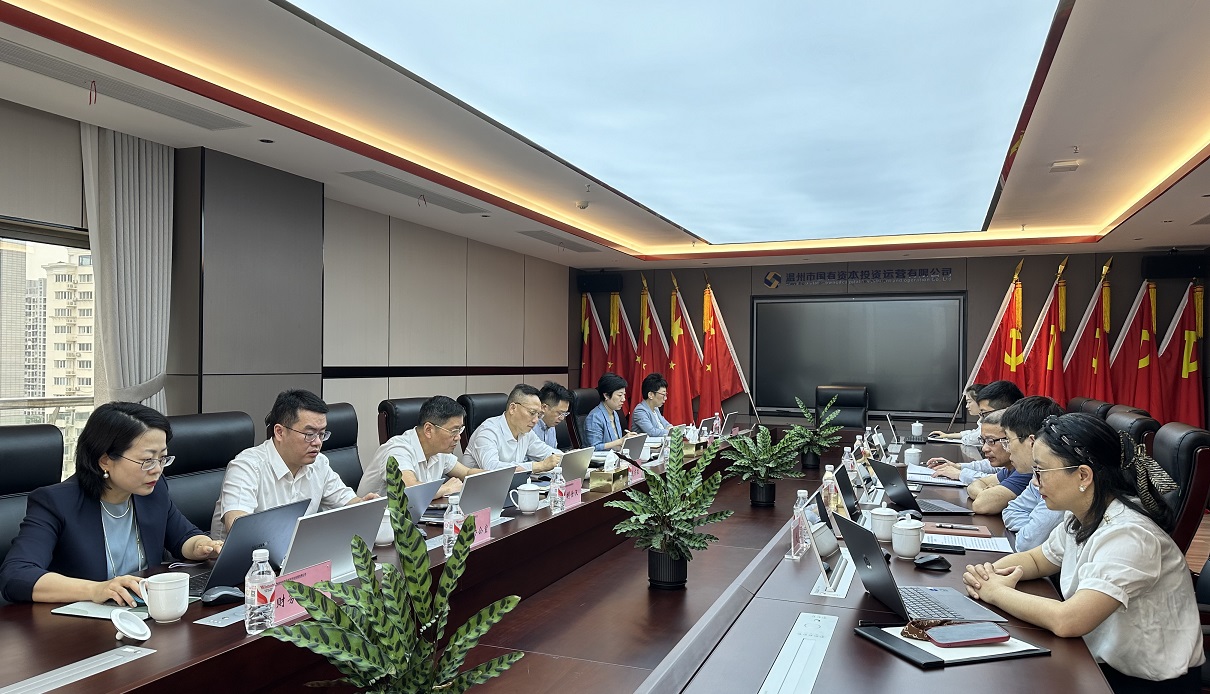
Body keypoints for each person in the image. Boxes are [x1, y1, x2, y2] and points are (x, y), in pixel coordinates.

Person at [962, 413, 1201, 692]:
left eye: (1042, 471)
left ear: (1083, 475)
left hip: (1143, 683)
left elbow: (1068, 620)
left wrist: (995, 592)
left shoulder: (1129, 534)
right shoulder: (1082, 514)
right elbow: (1037, 559)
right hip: (1095, 663)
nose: (1035, 483)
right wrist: (989, 574)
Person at [0, 402, 223, 606]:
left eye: (162, 458)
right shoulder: (56, 502)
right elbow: (16, 575)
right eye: (147, 460)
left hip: (144, 609)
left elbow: (183, 537)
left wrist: (203, 546)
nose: (157, 469)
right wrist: (96, 589)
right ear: (105, 460)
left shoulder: (152, 491)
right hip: (80, 622)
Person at [212, 389, 378, 540]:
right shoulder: (246, 466)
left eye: (322, 434)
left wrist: (365, 505)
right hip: (244, 560)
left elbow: (348, 502)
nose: (318, 442)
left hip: (295, 555)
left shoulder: (319, 463)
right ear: (280, 432)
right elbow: (238, 527)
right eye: (310, 434)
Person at [357, 396, 482, 498]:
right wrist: (446, 488)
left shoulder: (438, 451)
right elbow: (412, 490)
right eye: (454, 431)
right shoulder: (397, 450)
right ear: (428, 430)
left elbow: (467, 472)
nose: (458, 437)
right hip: (378, 519)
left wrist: (493, 478)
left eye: (460, 430)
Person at [926, 409, 1030, 515]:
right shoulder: (1010, 469)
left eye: (991, 441)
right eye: (983, 441)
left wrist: (985, 495)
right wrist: (985, 493)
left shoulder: (1026, 470)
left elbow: (982, 505)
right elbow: (974, 486)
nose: (984, 448)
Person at [999, 396, 1067, 551]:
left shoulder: (1058, 478)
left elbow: (1027, 543)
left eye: (1008, 440)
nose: (1007, 449)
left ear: (1032, 442)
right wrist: (1030, 526)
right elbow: (1011, 510)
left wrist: (1030, 530)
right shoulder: (1038, 473)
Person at [463, 384, 562, 473]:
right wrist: (538, 466)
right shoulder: (488, 431)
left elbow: (547, 452)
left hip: (511, 486)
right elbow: (491, 468)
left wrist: (566, 458)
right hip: (480, 486)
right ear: (512, 408)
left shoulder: (526, 432)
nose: (536, 420)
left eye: (538, 414)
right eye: (532, 413)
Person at [585, 372, 639, 451]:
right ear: (606, 395)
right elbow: (594, 448)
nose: (623, 399)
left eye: (624, 395)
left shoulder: (615, 413)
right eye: (620, 395)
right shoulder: (595, 417)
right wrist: (621, 441)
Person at [532, 381, 573, 451]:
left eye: (564, 414)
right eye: (559, 413)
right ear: (544, 407)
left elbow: (553, 452)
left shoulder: (550, 424)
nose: (562, 418)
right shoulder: (529, 426)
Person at [631, 373, 673, 437]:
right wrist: (670, 431)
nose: (665, 398)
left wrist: (672, 429)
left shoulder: (655, 408)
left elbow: (666, 424)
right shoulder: (640, 411)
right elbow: (652, 432)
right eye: (663, 395)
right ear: (650, 395)